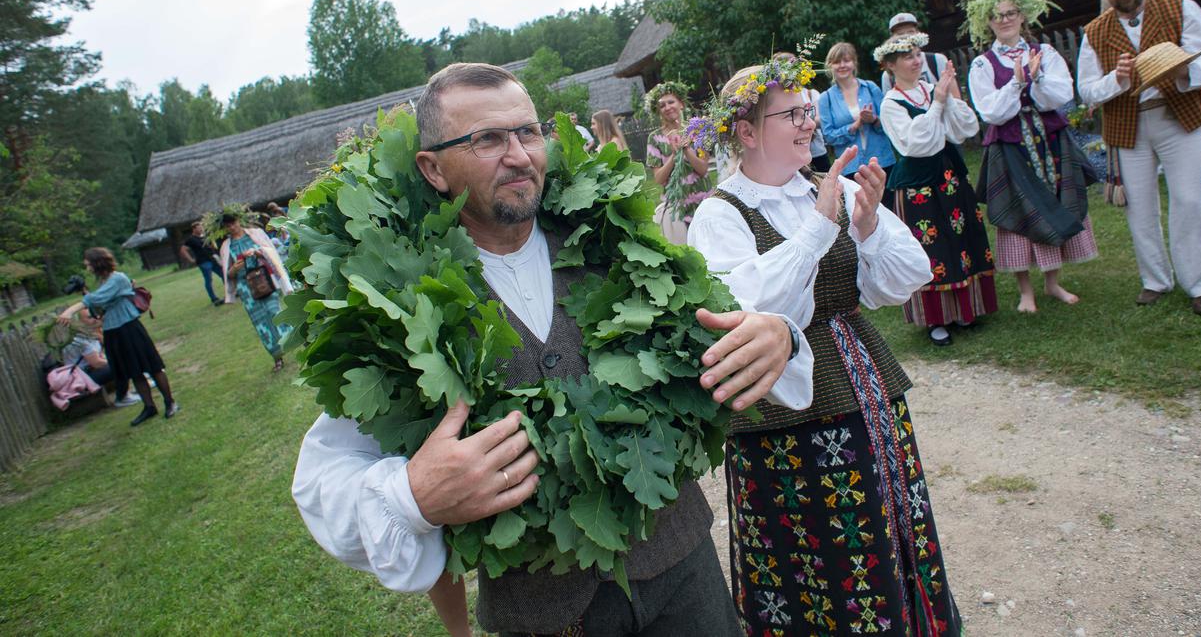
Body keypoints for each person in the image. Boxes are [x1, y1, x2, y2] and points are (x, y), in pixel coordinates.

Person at [292, 62, 807, 637]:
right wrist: (412, 495)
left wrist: (778, 332)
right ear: (432, 169)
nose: (518, 155)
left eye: (528, 132)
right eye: (487, 139)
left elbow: (719, 327)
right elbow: (321, 477)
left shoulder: (617, 241)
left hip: (684, 575)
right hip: (541, 612)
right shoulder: (393, 302)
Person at [686, 52, 962, 635]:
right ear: (747, 132)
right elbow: (745, 309)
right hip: (782, 405)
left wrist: (864, 225)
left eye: (810, 110)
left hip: (865, 381)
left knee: (892, 519)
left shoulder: (821, 188)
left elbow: (908, 274)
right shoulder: (721, 213)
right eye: (793, 114)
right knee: (823, 553)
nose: (810, 122)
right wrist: (817, 227)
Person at [1078, 0, 1201, 315]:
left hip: (1178, 116)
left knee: (1190, 200)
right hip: (1129, 125)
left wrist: (1178, 71)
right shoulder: (1095, 32)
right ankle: (1155, 280)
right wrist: (1119, 79)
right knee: (1140, 208)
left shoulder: (1179, 8)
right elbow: (1088, 90)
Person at [964, 0, 1099, 313]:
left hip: (1048, 140)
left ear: (1022, 16)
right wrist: (1017, 82)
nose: (1005, 20)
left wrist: (1036, 79)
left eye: (1011, 13)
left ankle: (1052, 282)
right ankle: (1026, 291)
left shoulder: (1045, 53)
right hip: (1010, 146)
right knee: (1017, 210)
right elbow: (991, 112)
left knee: (1054, 201)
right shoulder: (983, 65)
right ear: (989, 24)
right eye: (997, 16)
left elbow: (1062, 95)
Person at [878, 34, 998, 346]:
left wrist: (944, 99)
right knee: (931, 248)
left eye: (918, 54)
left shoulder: (931, 89)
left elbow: (964, 128)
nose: (916, 60)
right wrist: (939, 104)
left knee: (960, 238)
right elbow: (915, 145)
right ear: (891, 66)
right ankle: (935, 319)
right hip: (919, 186)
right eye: (907, 57)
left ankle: (965, 308)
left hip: (949, 177)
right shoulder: (891, 103)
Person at [56, 247, 178, 426]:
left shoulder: (117, 278)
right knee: (133, 371)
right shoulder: (104, 281)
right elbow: (98, 305)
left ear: (97, 262)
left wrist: (70, 310)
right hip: (113, 331)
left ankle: (170, 402)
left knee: (153, 367)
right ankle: (149, 407)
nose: (86, 265)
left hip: (129, 328)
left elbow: (96, 299)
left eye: (87, 262)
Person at [219, 213, 295, 370]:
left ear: (238, 221)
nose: (232, 227)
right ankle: (277, 357)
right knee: (261, 323)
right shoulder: (227, 246)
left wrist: (257, 252)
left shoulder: (255, 234)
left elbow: (272, 253)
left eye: (233, 223)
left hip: (264, 279)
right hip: (246, 288)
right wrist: (234, 268)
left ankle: (293, 340)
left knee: (275, 312)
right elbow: (228, 274)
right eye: (228, 226)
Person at [642, 81, 712, 244]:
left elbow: (703, 169)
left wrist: (686, 149)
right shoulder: (655, 138)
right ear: (658, 111)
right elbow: (659, 179)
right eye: (662, 105)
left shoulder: (697, 129)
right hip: (677, 209)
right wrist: (674, 155)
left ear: (681, 104)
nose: (667, 107)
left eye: (671, 102)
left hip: (704, 203)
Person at [819, 41, 897, 177]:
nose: (842, 65)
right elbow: (829, 136)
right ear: (830, 66)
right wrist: (855, 125)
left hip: (881, 161)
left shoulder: (871, 88)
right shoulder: (826, 98)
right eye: (837, 62)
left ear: (854, 63)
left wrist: (873, 119)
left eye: (847, 60)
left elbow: (889, 125)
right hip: (850, 167)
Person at [881, 13, 951, 92]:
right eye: (900, 34)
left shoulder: (937, 60)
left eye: (910, 32)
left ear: (918, 33)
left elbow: (955, 98)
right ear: (892, 38)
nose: (906, 37)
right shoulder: (888, 76)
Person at [180, 221, 225, 306]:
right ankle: (214, 299)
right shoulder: (191, 239)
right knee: (209, 279)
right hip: (203, 262)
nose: (201, 229)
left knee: (223, 274)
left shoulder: (205, 237)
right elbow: (183, 249)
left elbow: (212, 247)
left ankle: (229, 292)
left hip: (212, 259)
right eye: (199, 228)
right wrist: (191, 260)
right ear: (194, 229)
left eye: (202, 227)